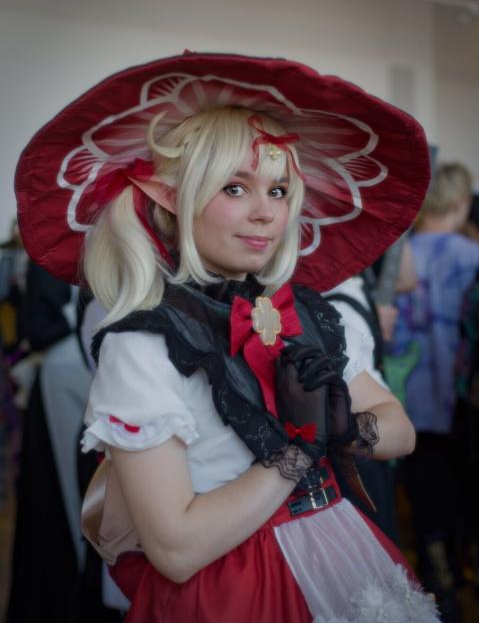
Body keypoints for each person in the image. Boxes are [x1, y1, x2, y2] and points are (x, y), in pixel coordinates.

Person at [15, 51, 439, 623]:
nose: (265, 213)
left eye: (280, 190)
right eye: (235, 188)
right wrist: (298, 451)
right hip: (230, 593)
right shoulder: (142, 344)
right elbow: (176, 549)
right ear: (172, 197)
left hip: (341, 561)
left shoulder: (305, 312)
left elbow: (400, 431)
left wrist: (343, 425)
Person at [392, 162, 479, 621]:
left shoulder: (395, 254)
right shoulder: (473, 257)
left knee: (423, 496)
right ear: (462, 203)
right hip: (461, 403)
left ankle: (436, 581)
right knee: (463, 494)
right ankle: (462, 574)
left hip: (406, 401)